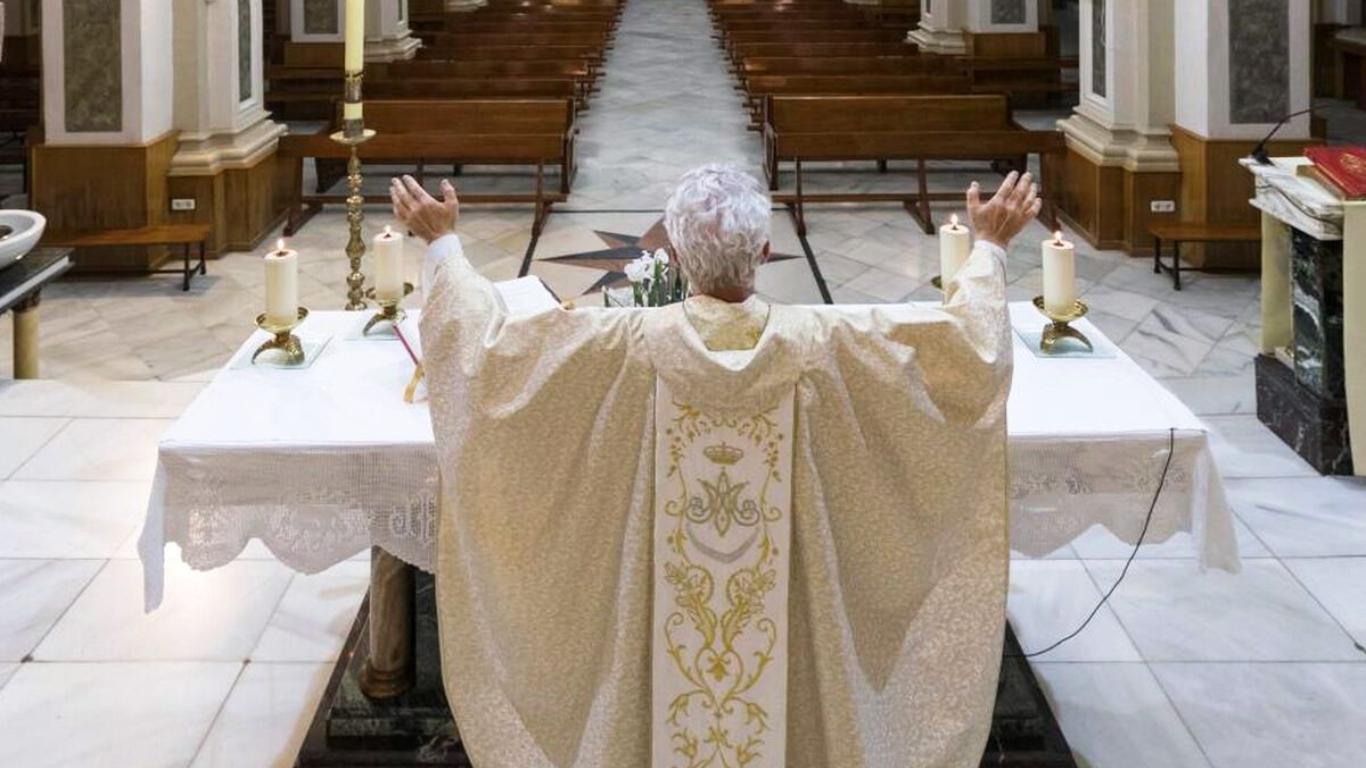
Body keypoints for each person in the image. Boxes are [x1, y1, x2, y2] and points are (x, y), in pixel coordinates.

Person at [391, 165, 1040, 768]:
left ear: (674, 257)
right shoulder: (827, 344)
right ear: (765, 253)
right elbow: (968, 354)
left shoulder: (620, 347)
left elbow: (486, 359)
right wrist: (990, 248)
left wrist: (442, 244)